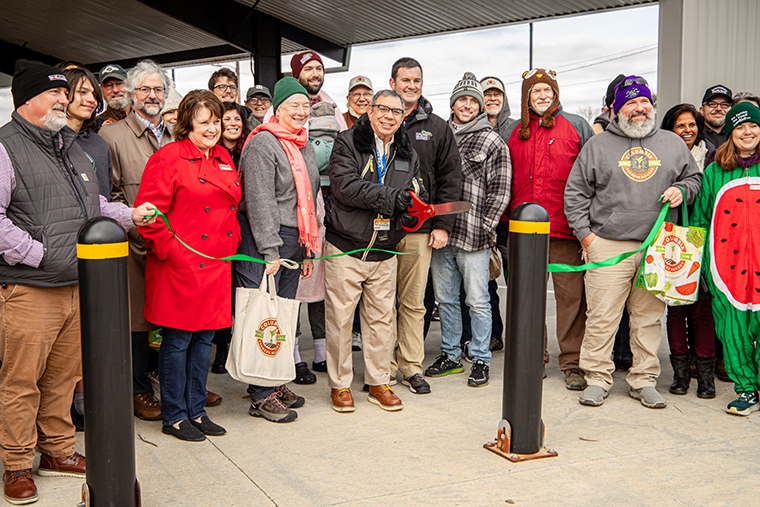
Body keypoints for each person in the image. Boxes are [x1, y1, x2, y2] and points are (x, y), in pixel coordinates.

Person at [0, 59, 155, 505]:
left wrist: (130, 216)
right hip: (31, 289)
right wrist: (38, 255)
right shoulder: (6, 147)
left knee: (63, 380)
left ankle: (58, 451)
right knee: (21, 380)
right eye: (56, 93)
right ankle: (15, 464)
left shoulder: (71, 144)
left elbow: (94, 203)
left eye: (65, 94)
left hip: (77, 287)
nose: (65, 100)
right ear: (27, 99)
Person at [565, 75, 702, 409]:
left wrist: (682, 190)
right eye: (631, 103)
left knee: (648, 318)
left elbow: (694, 178)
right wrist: (587, 237)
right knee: (602, 317)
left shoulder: (672, 143)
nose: (639, 109)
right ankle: (597, 377)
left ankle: (644, 380)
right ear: (616, 110)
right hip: (607, 245)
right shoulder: (596, 146)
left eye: (644, 102)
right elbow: (575, 194)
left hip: (658, 246)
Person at [135, 90, 239, 441]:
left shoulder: (223, 156)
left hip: (216, 265)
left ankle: (196, 409)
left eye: (217, 121)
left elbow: (232, 207)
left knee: (205, 341)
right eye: (204, 122)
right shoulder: (169, 158)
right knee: (178, 342)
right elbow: (148, 215)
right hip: (180, 267)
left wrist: (233, 239)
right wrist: (173, 253)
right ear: (187, 124)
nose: (213, 128)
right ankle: (175, 415)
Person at [324, 89, 425, 412]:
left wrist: (409, 211)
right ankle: (340, 385)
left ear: (402, 118)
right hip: (346, 246)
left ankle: (379, 381)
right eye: (383, 109)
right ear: (370, 111)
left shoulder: (408, 152)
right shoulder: (347, 141)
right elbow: (345, 187)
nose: (389, 117)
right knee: (339, 320)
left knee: (382, 319)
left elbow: (413, 192)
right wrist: (391, 198)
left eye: (396, 112)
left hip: (385, 249)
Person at [235, 77, 318, 423]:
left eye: (305, 105)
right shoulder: (262, 144)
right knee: (263, 316)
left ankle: (276, 381)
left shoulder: (304, 145)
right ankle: (260, 394)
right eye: (293, 105)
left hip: (296, 239)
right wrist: (270, 250)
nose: (300, 111)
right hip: (265, 240)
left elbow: (311, 198)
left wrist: (309, 249)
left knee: (283, 317)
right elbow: (259, 201)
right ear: (277, 109)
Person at [507, 68, 594, 390]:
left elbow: (591, 178)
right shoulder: (515, 130)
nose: (542, 96)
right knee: (526, 299)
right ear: (526, 97)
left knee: (571, 300)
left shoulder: (576, 126)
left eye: (547, 90)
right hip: (523, 232)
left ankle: (572, 363)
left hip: (564, 230)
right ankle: (533, 358)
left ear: (556, 93)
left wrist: (586, 227)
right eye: (535, 92)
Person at [100, 59, 174, 421]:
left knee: (173, 314)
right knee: (137, 321)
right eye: (144, 89)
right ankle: (138, 390)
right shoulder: (111, 136)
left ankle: (175, 383)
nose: (152, 95)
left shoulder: (177, 134)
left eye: (158, 89)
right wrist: (135, 226)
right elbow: (107, 195)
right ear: (131, 95)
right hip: (135, 242)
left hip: (174, 245)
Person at [425, 73, 511, 387]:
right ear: (453, 103)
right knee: (445, 300)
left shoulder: (492, 140)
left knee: (477, 301)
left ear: (480, 106)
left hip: (474, 238)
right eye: (462, 99)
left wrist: (485, 227)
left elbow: (501, 191)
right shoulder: (440, 136)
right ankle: (449, 354)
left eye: (473, 100)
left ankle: (480, 359)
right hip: (440, 235)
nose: (467, 105)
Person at [389, 57, 462, 395]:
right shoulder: (375, 121)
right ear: (393, 83)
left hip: (420, 230)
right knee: (382, 303)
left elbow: (451, 178)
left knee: (415, 303)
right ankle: (384, 368)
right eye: (405, 80)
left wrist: (443, 224)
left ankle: (411, 367)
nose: (411, 85)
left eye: (417, 80)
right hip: (381, 229)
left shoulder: (437, 127)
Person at [692, 102, 760, 415]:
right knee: (733, 331)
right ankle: (747, 389)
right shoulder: (715, 171)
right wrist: (700, 265)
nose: (748, 132)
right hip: (726, 270)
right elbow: (701, 220)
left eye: (753, 126)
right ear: (730, 134)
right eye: (740, 128)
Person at [660, 103, 717, 398]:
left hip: (705, 239)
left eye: (692, 125)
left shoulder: (713, 158)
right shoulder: (663, 156)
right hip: (673, 239)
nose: (687, 130)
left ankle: (706, 377)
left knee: (702, 311)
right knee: (676, 309)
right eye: (680, 125)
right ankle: (680, 375)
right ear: (670, 128)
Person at [209, 101, 251, 375]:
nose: (233, 123)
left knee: (242, 289)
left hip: (245, 226)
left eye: (237, 119)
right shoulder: (212, 153)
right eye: (227, 119)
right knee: (222, 290)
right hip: (218, 228)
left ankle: (242, 346)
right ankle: (221, 345)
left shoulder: (250, 149)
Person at [62, 66, 113, 200]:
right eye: (82, 92)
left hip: (100, 219)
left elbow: (107, 195)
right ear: (63, 94)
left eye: (94, 94)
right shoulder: (47, 141)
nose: (92, 100)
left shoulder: (99, 143)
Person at [289, 51, 348, 130]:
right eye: (308, 69)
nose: (315, 74)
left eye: (319, 69)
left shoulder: (330, 106)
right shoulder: (286, 106)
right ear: (297, 76)